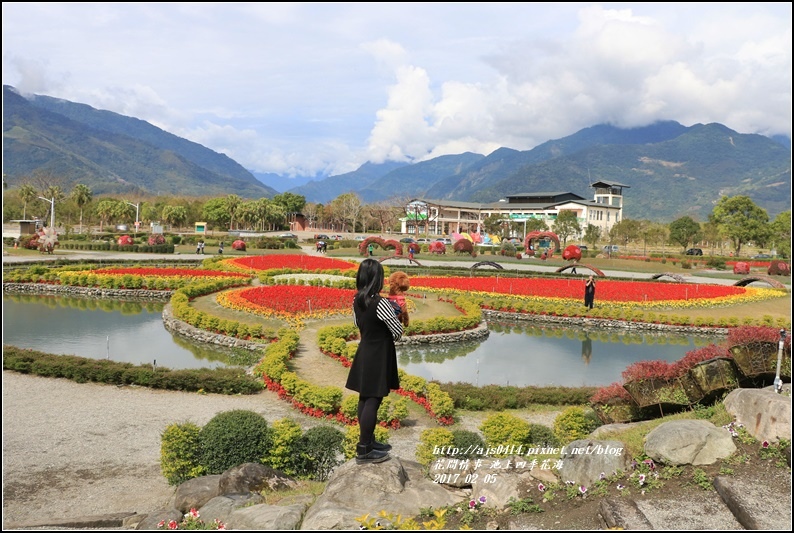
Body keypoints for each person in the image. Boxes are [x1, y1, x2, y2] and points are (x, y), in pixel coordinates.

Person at [345, 258, 402, 465]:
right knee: (374, 399)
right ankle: (365, 450)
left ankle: (368, 442)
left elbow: (357, 323)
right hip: (379, 354)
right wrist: (396, 315)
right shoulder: (381, 302)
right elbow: (397, 332)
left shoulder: (357, 300)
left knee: (365, 398)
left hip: (365, 350)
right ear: (377, 279)